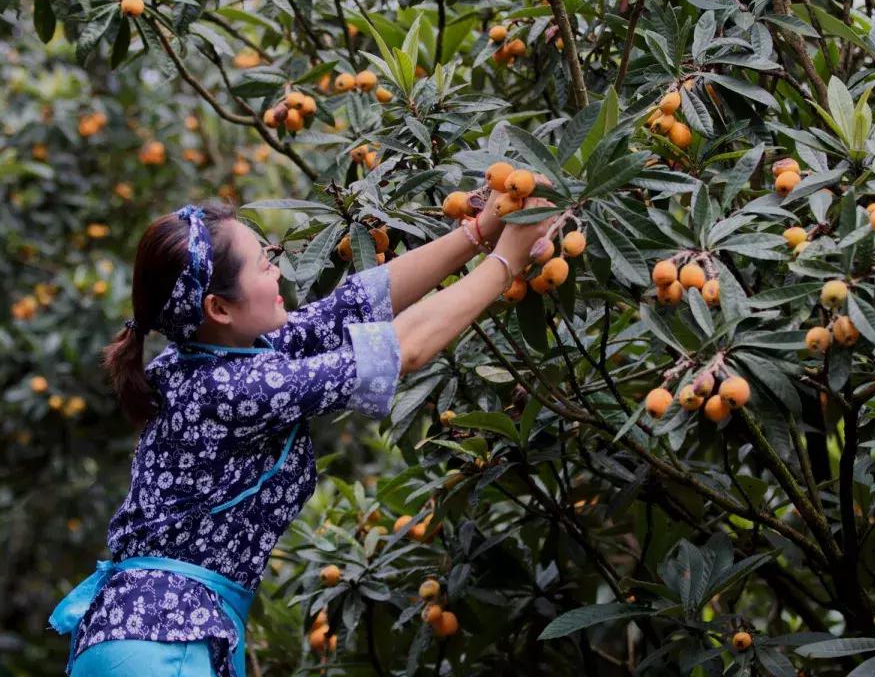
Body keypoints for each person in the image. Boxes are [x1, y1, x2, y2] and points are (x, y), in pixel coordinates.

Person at [48, 187, 558, 677]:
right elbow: (402, 349)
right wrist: (506, 261)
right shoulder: (233, 387)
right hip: (161, 643)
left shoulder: (220, 355)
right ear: (219, 309)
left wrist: (483, 231)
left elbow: (357, 304)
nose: (277, 269)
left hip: (152, 632)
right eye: (264, 264)